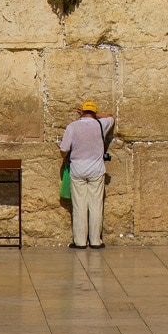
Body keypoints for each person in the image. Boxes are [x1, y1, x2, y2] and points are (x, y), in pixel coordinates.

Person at [60, 100, 115, 249]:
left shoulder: (72, 126)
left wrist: (65, 157)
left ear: (82, 111)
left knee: (79, 206)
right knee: (96, 205)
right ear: (94, 112)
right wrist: (96, 114)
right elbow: (111, 117)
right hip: (96, 170)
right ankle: (96, 241)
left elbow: (64, 148)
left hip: (78, 169)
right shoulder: (100, 124)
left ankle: (80, 241)